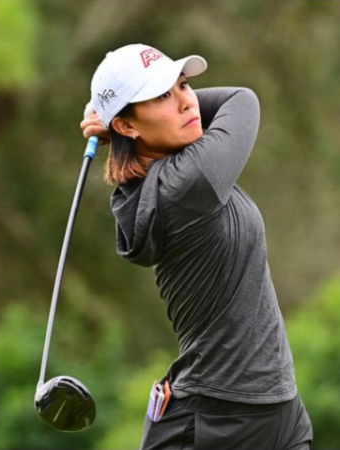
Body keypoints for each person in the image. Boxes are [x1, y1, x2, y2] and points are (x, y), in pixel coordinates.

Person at [80, 43, 313, 450]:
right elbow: (242, 100)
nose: (187, 103)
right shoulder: (188, 181)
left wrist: (120, 111)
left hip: (278, 410)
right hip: (214, 421)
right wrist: (113, 113)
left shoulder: (175, 171)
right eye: (162, 96)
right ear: (128, 127)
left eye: (184, 85)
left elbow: (207, 107)